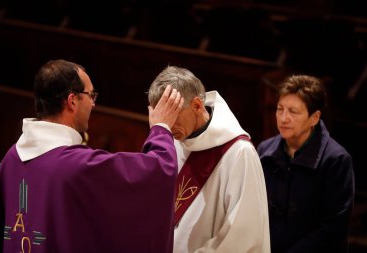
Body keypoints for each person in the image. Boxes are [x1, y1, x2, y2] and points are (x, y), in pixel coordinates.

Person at [0, 59, 184, 253]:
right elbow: (158, 171)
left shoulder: (12, 157)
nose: (93, 104)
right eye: (91, 95)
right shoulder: (76, 166)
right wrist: (161, 128)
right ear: (72, 101)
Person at [148, 66, 270, 253]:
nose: (168, 125)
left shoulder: (239, 153)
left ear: (197, 105)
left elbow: (244, 235)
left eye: (174, 115)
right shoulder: (172, 142)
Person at [257, 74, 355, 253]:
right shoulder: (265, 151)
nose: (283, 118)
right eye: (280, 109)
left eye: (293, 112)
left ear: (314, 118)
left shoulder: (336, 160)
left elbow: (334, 229)